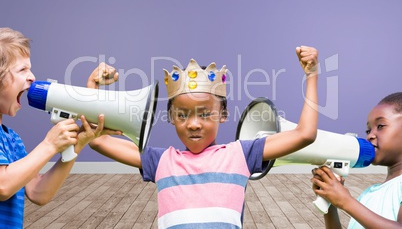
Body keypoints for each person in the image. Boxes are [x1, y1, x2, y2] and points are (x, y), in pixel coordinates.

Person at [88, 46, 319, 228]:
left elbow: (304, 134)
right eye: (182, 115)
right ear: (171, 117)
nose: (194, 124)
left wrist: (312, 75)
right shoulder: (161, 161)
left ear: (224, 115)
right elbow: (97, 139)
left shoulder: (241, 155)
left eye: (206, 114)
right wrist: (93, 87)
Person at [0, 27, 119, 228]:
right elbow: (3, 186)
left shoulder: (12, 139)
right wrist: (49, 145)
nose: (32, 77)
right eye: (22, 70)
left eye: (30, 68)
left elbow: (38, 192)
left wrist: (77, 145)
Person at [311, 92, 402, 229]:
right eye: (368, 130)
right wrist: (330, 203)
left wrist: (346, 202)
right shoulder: (368, 194)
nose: (370, 135)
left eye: (381, 126)